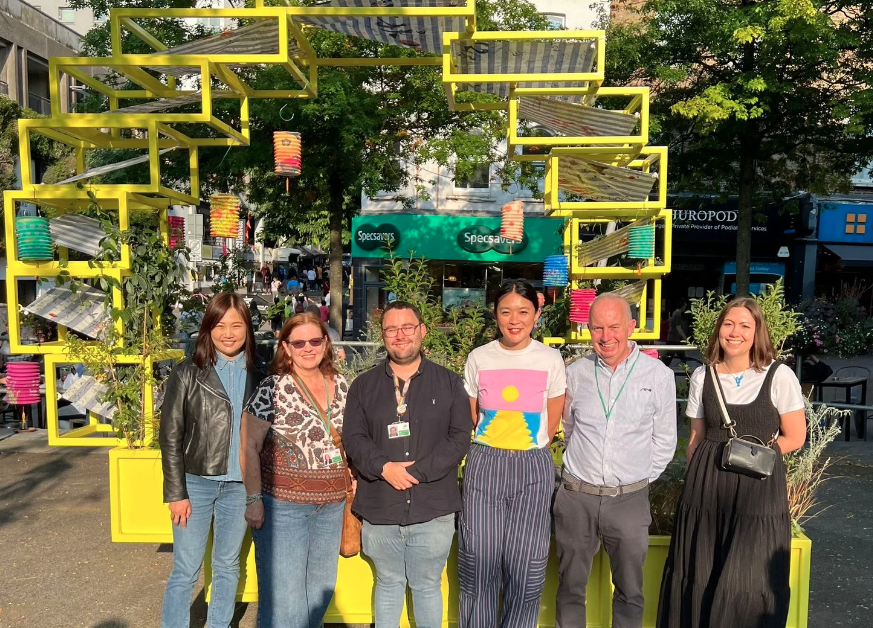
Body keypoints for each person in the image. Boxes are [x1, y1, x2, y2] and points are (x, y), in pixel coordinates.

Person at [657, 297, 806, 628]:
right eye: (728, 324)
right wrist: (697, 483)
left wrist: (754, 459)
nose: (735, 332)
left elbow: (795, 436)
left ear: (757, 333)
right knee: (701, 568)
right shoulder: (702, 376)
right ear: (718, 330)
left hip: (757, 492)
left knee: (749, 575)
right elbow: (696, 438)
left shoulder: (778, 376)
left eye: (744, 326)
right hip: (707, 489)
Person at [343, 301, 471, 628]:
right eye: (391, 330)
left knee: (427, 586)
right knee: (387, 584)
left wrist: (415, 472)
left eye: (407, 328)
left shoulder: (449, 383)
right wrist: (385, 467)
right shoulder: (364, 387)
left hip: (432, 507)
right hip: (380, 504)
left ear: (422, 331)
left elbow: (459, 438)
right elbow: (354, 438)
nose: (400, 336)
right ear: (383, 336)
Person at [556, 294, 677, 628]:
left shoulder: (658, 376)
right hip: (577, 496)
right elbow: (569, 427)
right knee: (570, 587)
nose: (606, 336)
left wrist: (634, 480)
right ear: (588, 329)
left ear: (631, 327)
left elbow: (665, 441)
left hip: (629, 499)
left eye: (614, 327)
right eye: (597, 328)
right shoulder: (576, 373)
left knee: (629, 591)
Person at [459, 280, 566, 628]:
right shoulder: (479, 358)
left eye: (523, 311)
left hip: (531, 467)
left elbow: (551, 422)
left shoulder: (550, 359)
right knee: (479, 562)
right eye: (506, 311)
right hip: (485, 464)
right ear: (495, 315)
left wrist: (525, 447)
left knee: (527, 566)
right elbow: (473, 416)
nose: (514, 319)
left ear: (536, 315)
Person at [159, 293, 263, 628]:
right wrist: (176, 493)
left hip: (239, 488)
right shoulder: (187, 373)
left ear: (247, 328)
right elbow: (170, 436)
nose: (228, 333)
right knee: (185, 570)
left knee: (227, 564)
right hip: (196, 484)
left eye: (236, 324)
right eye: (220, 325)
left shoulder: (258, 375)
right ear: (208, 328)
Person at [241, 313, 351, 628]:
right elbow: (248, 445)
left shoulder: (341, 385)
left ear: (326, 343)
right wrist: (253, 499)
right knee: (286, 605)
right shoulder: (272, 387)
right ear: (286, 348)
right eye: (298, 342)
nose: (307, 348)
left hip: (331, 505)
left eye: (314, 341)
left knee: (319, 593)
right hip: (283, 508)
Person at [661, 300, 689, 368]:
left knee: (673, 357)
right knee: (671, 357)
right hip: (675, 339)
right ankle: (686, 371)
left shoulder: (674, 313)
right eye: (684, 306)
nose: (685, 307)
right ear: (682, 306)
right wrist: (686, 338)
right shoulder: (678, 314)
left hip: (673, 339)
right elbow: (678, 328)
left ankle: (686, 371)